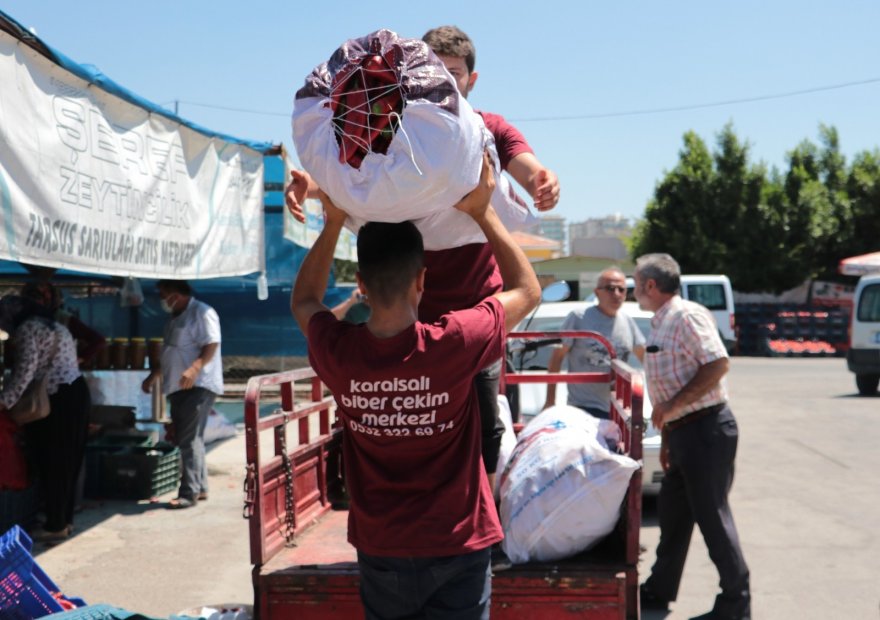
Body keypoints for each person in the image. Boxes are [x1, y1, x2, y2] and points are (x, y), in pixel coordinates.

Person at [290, 153, 540, 620]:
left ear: (360, 284)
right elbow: (527, 291)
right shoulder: (455, 341)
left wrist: (333, 224)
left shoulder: (339, 351)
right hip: (457, 541)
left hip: (382, 545)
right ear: (422, 281)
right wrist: (483, 211)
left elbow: (304, 300)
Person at [633, 253, 750, 620]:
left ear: (651, 285)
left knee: (713, 519)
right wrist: (668, 437)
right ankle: (659, 589)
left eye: (636, 282)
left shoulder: (686, 315)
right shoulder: (662, 322)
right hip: (684, 434)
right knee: (673, 517)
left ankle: (735, 603)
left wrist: (672, 408)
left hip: (706, 430)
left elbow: (718, 364)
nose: (634, 288)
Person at [0, 295, 91, 542]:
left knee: (53, 461)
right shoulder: (55, 325)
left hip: (55, 401)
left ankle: (55, 525)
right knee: (68, 461)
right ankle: (63, 520)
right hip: (75, 392)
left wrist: (4, 402)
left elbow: (25, 372)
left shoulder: (28, 329)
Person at [141, 280, 223, 510]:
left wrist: (195, 368)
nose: (161, 299)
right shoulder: (175, 318)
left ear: (176, 295)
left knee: (188, 439)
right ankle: (201, 486)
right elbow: (170, 351)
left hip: (196, 386)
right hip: (178, 387)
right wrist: (154, 375)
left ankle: (188, 493)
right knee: (191, 438)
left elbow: (212, 343)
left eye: (164, 294)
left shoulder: (202, 312)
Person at [543, 267, 646, 417]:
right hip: (584, 409)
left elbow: (645, 357)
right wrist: (550, 401)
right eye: (610, 288)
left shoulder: (627, 321)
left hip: (619, 410)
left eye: (621, 289)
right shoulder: (579, 318)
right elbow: (556, 358)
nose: (616, 294)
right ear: (597, 292)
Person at [21, 280, 106, 368]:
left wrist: (76, 360)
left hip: (58, 374)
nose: (36, 301)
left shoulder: (63, 318)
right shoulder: (24, 319)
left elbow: (98, 340)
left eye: (42, 296)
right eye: (33, 295)